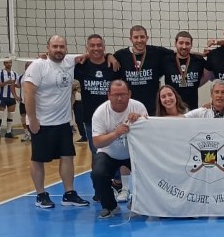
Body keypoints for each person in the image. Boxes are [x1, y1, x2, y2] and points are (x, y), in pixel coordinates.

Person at [22, 35, 89, 209]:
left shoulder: (69, 61)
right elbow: (28, 93)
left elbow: (91, 54)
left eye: (61, 46)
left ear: (66, 48)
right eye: (55, 46)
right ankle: (41, 194)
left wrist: (110, 55)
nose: (58, 50)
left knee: (67, 157)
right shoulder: (38, 65)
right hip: (42, 122)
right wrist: (32, 120)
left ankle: (69, 193)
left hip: (64, 122)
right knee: (38, 159)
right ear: (48, 48)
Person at [90, 80, 148, 219]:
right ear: (108, 95)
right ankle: (109, 206)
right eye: (116, 95)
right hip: (109, 152)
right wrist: (116, 133)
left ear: (129, 94)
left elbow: (149, 133)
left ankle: (139, 203)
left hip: (134, 153)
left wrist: (141, 119)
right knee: (98, 173)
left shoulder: (138, 107)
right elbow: (97, 142)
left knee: (149, 171)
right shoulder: (100, 112)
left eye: (123, 94)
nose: (120, 98)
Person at [73, 34, 121, 152]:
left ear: (104, 47)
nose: (96, 48)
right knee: (97, 154)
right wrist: (44, 58)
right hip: (91, 119)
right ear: (87, 48)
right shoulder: (80, 67)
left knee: (117, 153)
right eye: (92, 46)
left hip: (113, 118)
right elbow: (60, 64)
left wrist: (109, 56)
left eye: (99, 45)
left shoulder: (113, 65)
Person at [113, 25, 170, 114]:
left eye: (142, 37)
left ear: (147, 38)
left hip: (152, 108)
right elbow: (101, 58)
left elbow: (179, 52)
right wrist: (108, 55)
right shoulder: (120, 55)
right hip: (129, 108)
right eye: (136, 37)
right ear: (130, 39)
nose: (139, 40)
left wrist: (199, 54)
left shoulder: (157, 52)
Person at [159, 31, 206, 109]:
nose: (184, 46)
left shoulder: (199, 60)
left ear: (191, 45)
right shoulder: (166, 60)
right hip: (172, 108)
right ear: (175, 43)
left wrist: (197, 84)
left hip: (192, 108)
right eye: (181, 43)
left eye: (187, 43)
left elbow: (209, 73)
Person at [0, 58, 19, 139]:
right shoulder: (0, 73)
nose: (9, 64)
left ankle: (8, 132)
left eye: (10, 62)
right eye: (7, 63)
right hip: (2, 96)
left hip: (11, 97)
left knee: (11, 115)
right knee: (0, 114)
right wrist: (6, 83)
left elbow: (17, 85)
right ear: (4, 63)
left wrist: (15, 84)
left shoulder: (15, 74)